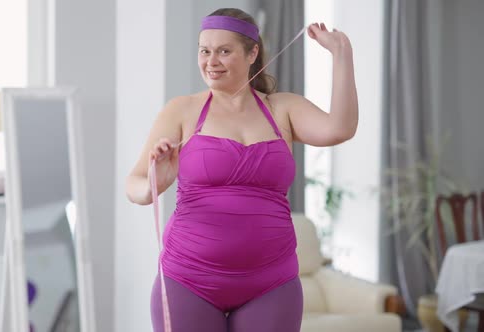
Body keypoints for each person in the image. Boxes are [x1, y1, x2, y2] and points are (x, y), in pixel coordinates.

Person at [126, 7, 358, 332]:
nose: (211, 61)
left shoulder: (284, 109)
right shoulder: (183, 110)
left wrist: (341, 53)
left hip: (271, 283)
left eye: (224, 51)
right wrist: (154, 183)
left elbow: (340, 128)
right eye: (205, 51)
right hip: (188, 280)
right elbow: (134, 185)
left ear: (252, 53)